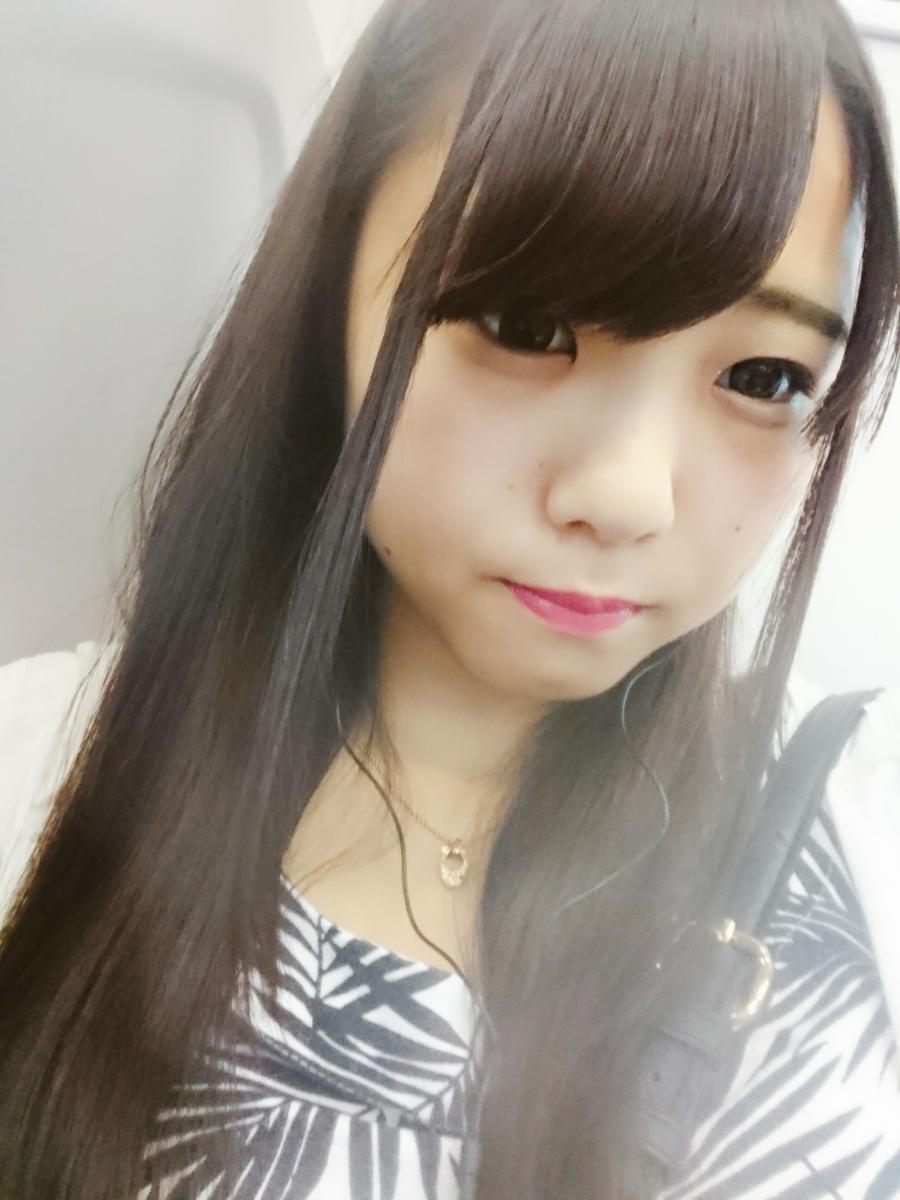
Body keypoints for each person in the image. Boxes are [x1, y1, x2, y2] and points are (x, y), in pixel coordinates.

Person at [0, 1, 898, 1197]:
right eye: (524, 324)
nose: (627, 496)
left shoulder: (863, 822)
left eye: (764, 376)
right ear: (328, 295)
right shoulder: (33, 777)